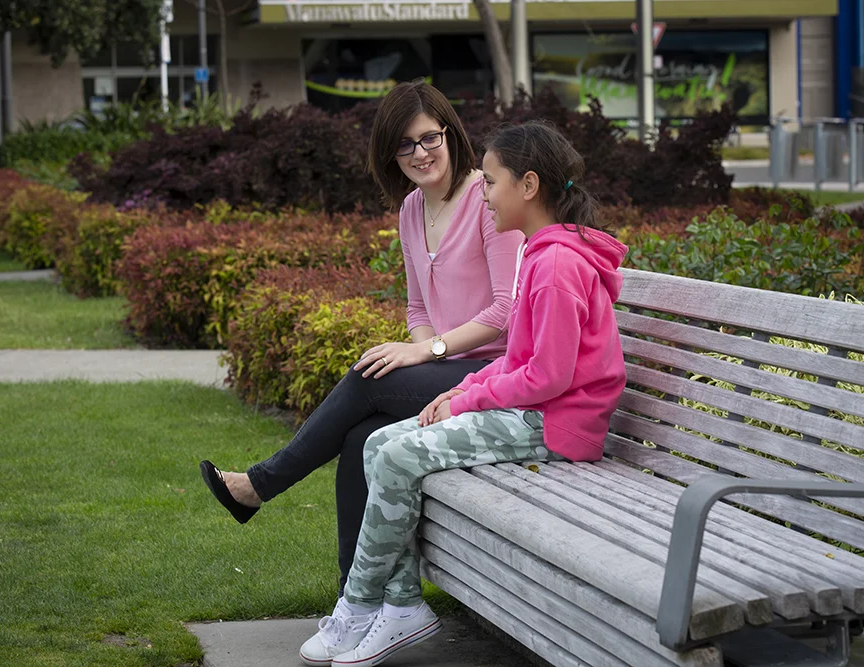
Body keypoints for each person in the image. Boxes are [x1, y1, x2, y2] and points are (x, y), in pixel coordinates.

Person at [299, 120, 629, 667]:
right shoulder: (542, 255)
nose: (485, 194)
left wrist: (466, 399)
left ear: (528, 186)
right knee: (378, 444)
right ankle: (402, 605)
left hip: (555, 425)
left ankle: (358, 605)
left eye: (492, 182)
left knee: (400, 452)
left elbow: (547, 379)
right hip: (532, 412)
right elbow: (518, 358)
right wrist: (472, 382)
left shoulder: (555, 266)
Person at [199, 80, 523, 597]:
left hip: (494, 371)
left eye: (429, 138)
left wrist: (425, 351)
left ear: (451, 134)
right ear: (389, 153)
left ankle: (261, 484)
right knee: (356, 439)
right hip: (445, 366)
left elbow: (508, 311)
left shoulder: (486, 198)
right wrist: (423, 349)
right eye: (404, 144)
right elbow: (418, 308)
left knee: (368, 378)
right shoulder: (411, 210)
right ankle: (355, 598)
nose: (420, 153)